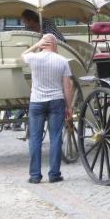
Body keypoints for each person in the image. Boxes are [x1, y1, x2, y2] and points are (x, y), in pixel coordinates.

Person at [21, 33, 72, 184]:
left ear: (43, 43)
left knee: (35, 138)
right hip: (56, 101)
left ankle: (35, 176)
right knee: (56, 137)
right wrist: (69, 106)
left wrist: (36, 45)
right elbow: (67, 87)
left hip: (37, 101)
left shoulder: (33, 58)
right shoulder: (63, 61)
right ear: (55, 45)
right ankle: (54, 174)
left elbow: (22, 55)